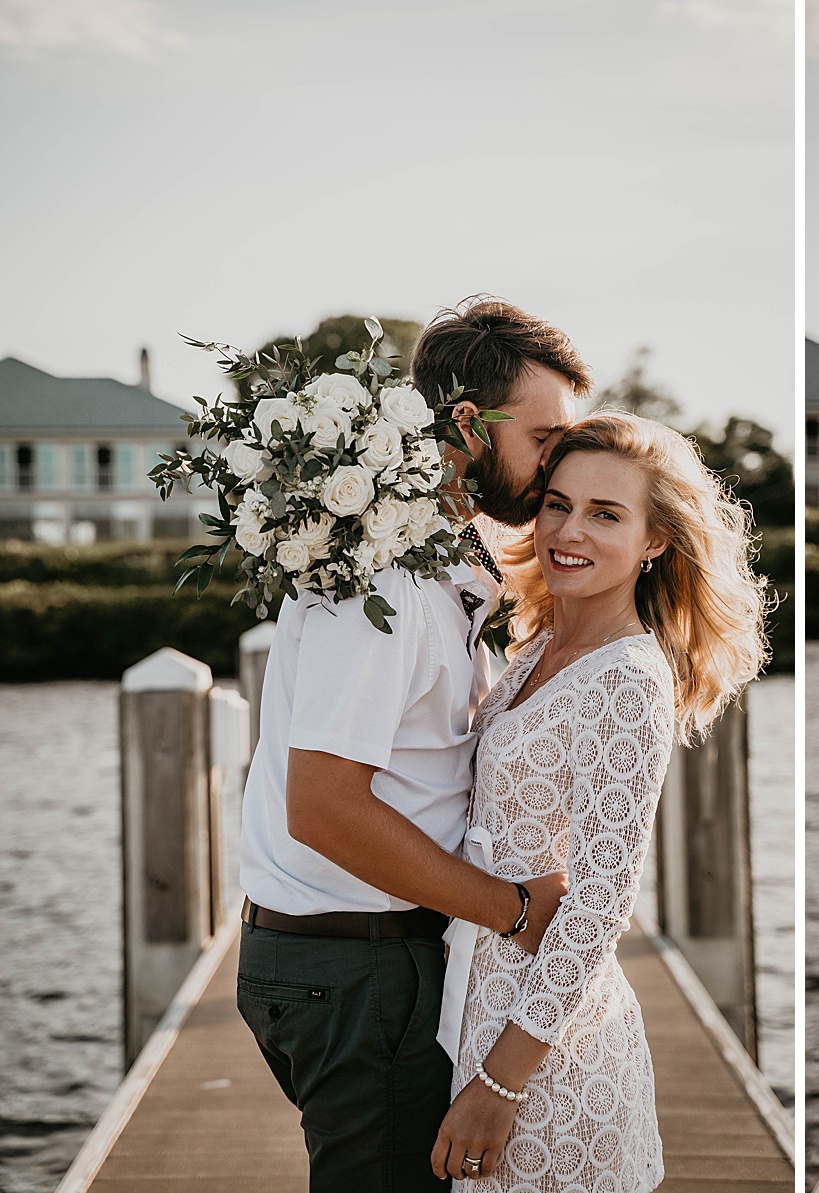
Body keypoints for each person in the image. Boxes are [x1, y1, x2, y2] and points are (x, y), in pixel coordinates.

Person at [235, 298, 588, 1191]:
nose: (561, 463)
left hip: (361, 957)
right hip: (356, 968)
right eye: (546, 439)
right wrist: (512, 909)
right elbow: (322, 807)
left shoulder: (437, 557)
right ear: (469, 424)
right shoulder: (381, 584)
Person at [427, 412, 769, 1188]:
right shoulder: (541, 646)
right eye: (557, 502)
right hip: (478, 1005)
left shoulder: (626, 679)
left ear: (655, 540)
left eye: (605, 513)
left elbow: (600, 905)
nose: (567, 529)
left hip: (545, 1058)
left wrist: (500, 1083)